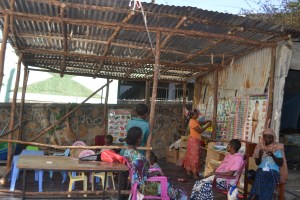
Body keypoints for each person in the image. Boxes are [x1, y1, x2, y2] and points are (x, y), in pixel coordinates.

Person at [123, 127, 187, 200]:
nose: (141, 139)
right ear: (138, 140)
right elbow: (142, 179)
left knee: (170, 185)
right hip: (144, 188)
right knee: (176, 191)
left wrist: (156, 171)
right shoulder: (138, 158)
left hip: (137, 185)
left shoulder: (127, 152)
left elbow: (140, 174)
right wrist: (157, 172)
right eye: (140, 137)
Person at [248, 128, 288, 200]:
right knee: (261, 175)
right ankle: (261, 197)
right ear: (263, 138)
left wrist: (272, 155)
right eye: (267, 138)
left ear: (273, 138)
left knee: (262, 177)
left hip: (273, 172)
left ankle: (255, 196)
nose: (269, 140)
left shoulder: (278, 148)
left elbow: (280, 163)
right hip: (261, 170)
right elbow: (257, 163)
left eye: (270, 138)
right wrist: (260, 156)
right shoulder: (260, 147)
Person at [184, 109, 212, 179]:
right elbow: (199, 131)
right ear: (193, 115)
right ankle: (194, 174)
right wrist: (207, 126)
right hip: (194, 141)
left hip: (193, 140)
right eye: (197, 114)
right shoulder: (192, 122)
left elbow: (201, 123)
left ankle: (188, 170)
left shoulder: (194, 120)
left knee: (190, 156)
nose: (198, 115)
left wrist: (207, 121)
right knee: (195, 157)